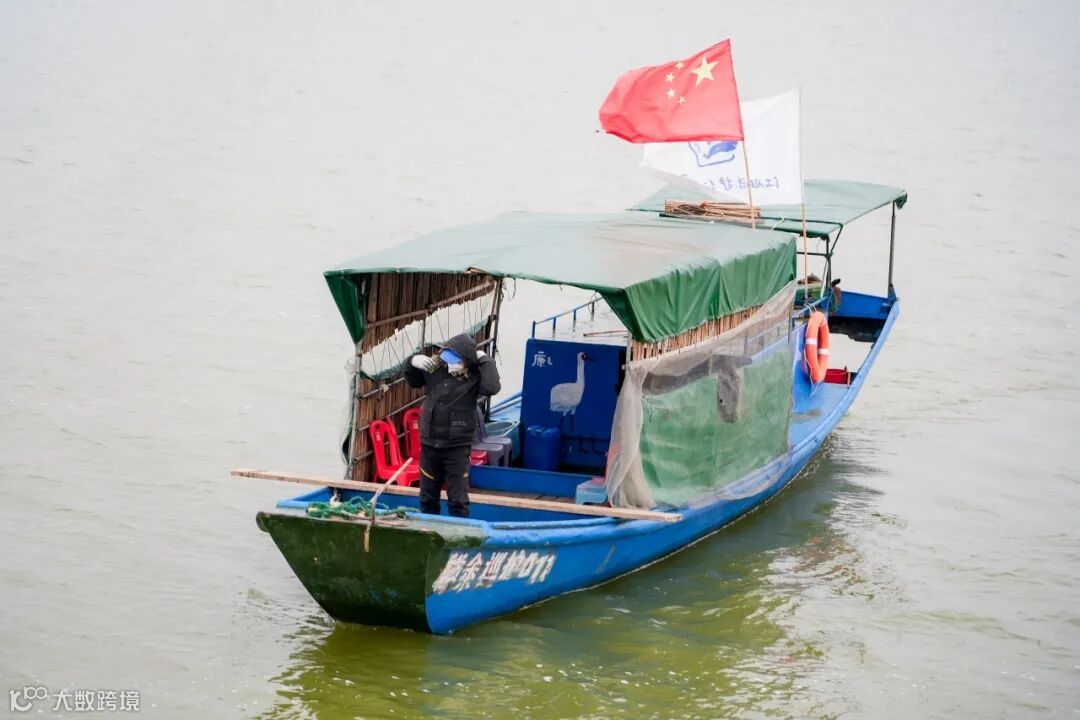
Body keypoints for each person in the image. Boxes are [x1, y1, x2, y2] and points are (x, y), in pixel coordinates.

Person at [404, 334, 501, 518]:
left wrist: (484, 359)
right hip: (430, 445)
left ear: (468, 361)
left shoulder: (475, 376)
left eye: (458, 360)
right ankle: (428, 530)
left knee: (458, 500)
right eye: (450, 358)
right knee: (427, 498)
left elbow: (492, 387)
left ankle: (459, 532)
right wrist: (411, 362)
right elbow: (413, 381)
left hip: (456, 448)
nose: (452, 363)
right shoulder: (435, 368)